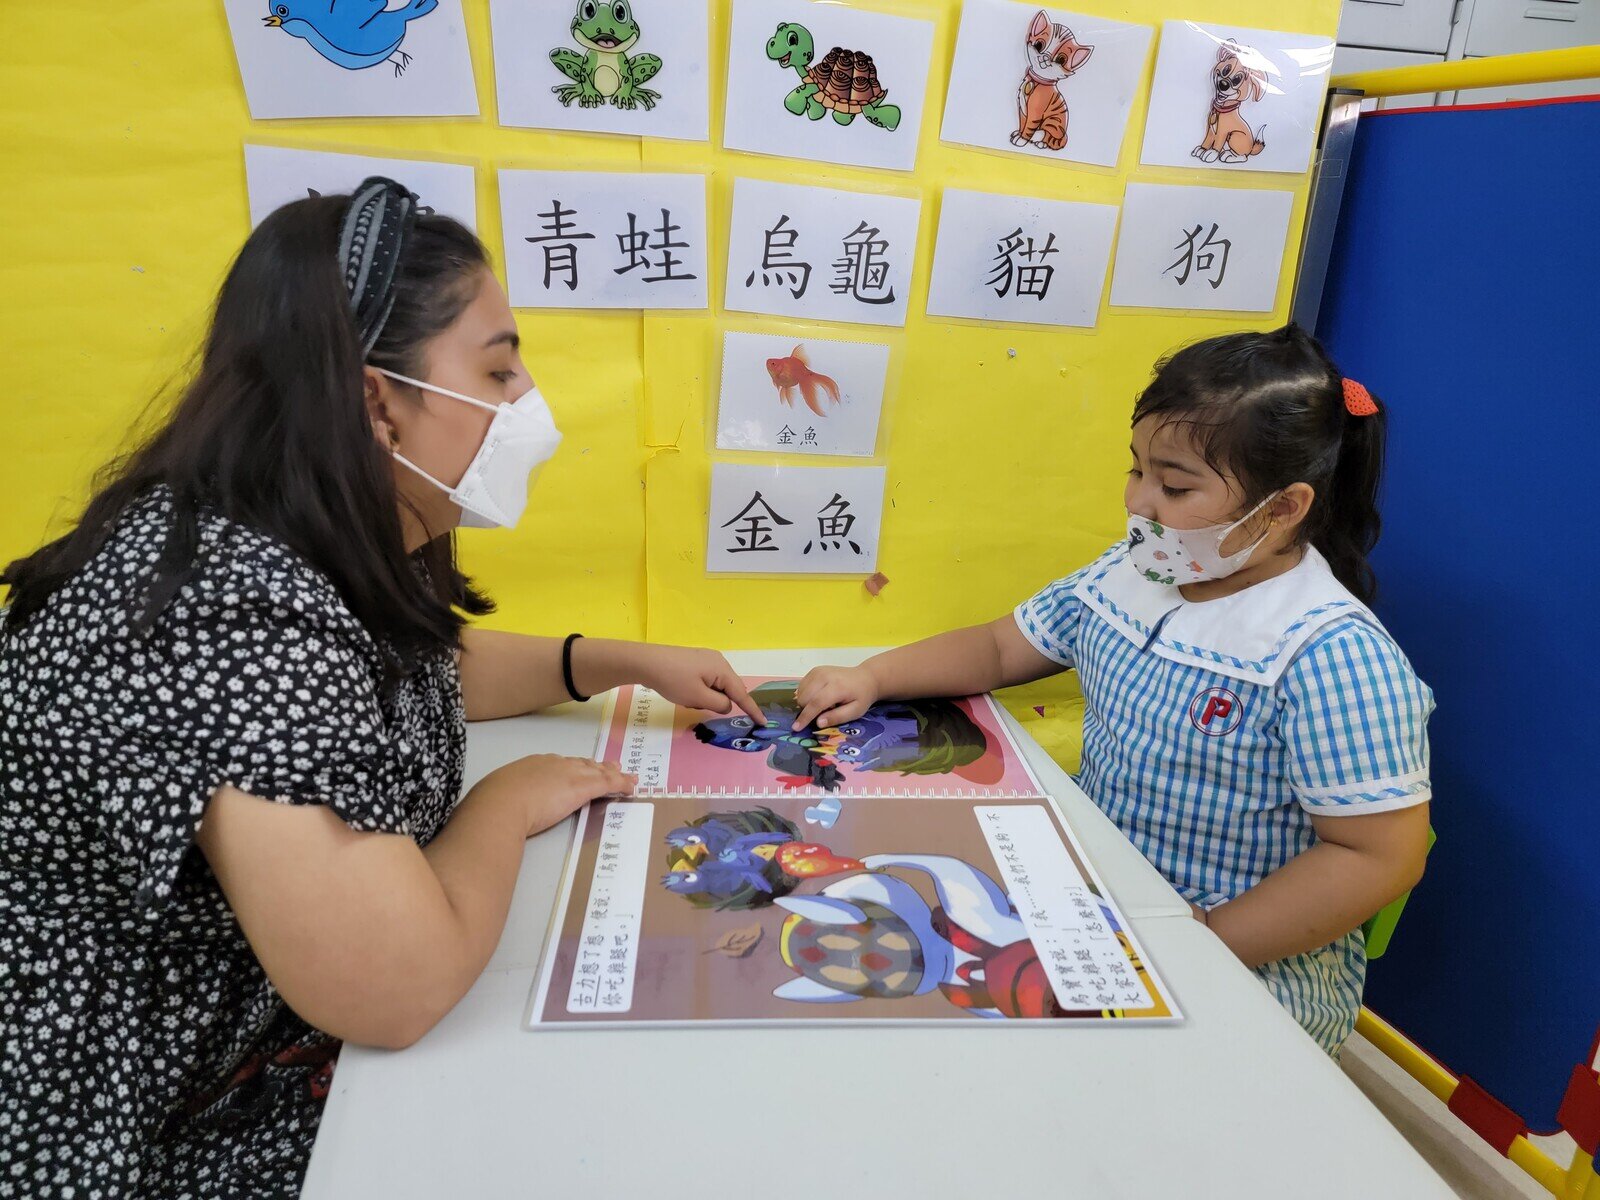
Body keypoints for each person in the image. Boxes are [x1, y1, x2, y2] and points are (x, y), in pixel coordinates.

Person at [0, 178, 764, 1198]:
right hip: (135, 1107)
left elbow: (408, 674)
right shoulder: (224, 612)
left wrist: (607, 660)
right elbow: (393, 990)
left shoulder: (315, 527)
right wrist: (506, 804)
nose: (527, 403)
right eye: (497, 372)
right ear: (376, 400)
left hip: (255, 1028)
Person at [794, 325, 1434, 1057]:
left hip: (1239, 957)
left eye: (1175, 485)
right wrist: (871, 676)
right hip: (1099, 900)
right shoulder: (1136, 572)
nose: (1139, 503)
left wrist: (1204, 945)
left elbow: (1377, 857)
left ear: (1283, 508)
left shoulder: (1328, 653)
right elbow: (1004, 645)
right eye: (1136, 470)